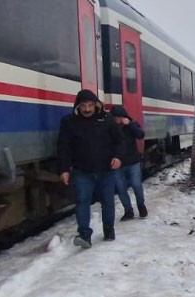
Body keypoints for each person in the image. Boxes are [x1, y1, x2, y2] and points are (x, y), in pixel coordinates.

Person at [57, 89, 123, 248]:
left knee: (107, 202)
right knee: (82, 201)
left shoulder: (107, 119)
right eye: (83, 106)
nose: (87, 109)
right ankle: (84, 235)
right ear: (77, 106)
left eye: (90, 105)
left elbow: (119, 141)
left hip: (106, 170)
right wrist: (64, 169)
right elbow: (63, 147)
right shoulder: (68, 122)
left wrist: (118, 156)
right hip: (82, 170)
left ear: (96, 105)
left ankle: (109, 229)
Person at [110, 104, 148, 220]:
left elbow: (140, 135)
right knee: (121, 188)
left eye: (119, 117)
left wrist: (130, 124)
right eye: (115, 117)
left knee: (136, 184)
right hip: (117, 164)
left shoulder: (132, 124)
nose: (117, 120)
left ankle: (141, 205)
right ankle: (128, 211)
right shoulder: (110, 128)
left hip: (132, 162)